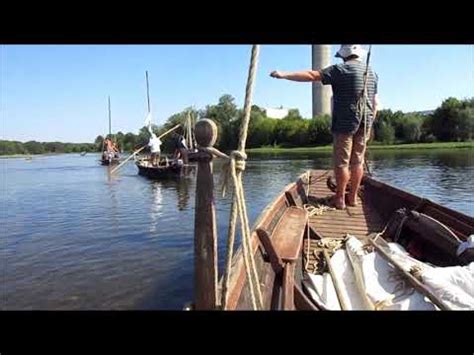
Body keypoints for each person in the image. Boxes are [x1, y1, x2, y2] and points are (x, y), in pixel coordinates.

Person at [270, 44, 379, 209]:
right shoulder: (372, 73)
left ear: (344, 55)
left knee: (342, 163)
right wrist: (370, 123)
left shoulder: (340, 70)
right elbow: (375, 102)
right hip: (365, 123)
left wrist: (284, 74)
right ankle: (353, 198)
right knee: (358, 162)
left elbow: (311, 75)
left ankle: (340, 199)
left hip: (344, 123)